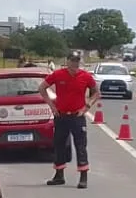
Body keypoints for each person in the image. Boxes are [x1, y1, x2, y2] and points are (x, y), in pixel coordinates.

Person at [41, 50, 99, 188]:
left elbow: (96, 92)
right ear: (67, 61)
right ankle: (59, 175)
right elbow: (42, 88)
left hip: (77, 116)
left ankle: (83, 176)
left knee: (80, 146)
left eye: (77, 61)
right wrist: (52, 107)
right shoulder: (58, 74)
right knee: (59, 144)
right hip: (61, 115)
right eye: (72, 60)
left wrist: (87, 106)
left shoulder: (85, 76)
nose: (74, 63)